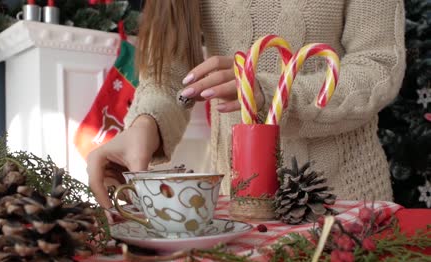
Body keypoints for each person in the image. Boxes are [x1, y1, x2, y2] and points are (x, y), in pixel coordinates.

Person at [87, 0, 406, 221]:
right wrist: (145, 125)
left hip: (346, 205)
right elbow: (169, 77)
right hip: (237, 210)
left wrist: (272, 93)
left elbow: (378, 65)